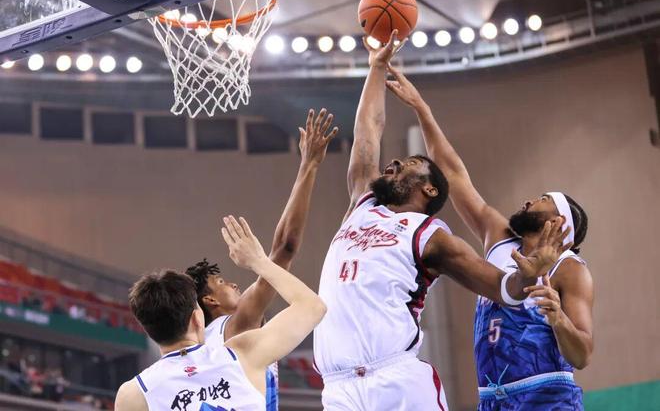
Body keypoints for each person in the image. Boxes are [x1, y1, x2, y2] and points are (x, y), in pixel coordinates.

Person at [312, 30, 572, 411]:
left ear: (429, 189)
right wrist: (376, 68)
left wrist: (527, 276)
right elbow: (368, 133)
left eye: (409, 163)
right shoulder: (362, 204)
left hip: (396, 381)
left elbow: (501, 287)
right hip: (338, 388)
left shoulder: (430, 236)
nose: (393, 162)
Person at [385, 63, 593, 410]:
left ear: (558, 221)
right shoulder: (499, 237)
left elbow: (583, 354)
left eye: (541, 199)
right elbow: (453, 174)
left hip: (545, 395)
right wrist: (422, 109)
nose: (528, 201)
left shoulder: (570, 269)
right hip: (492, 398)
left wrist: (558, 318)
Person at [185, 109, 337, 409]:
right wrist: (308, 166)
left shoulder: (198, 348)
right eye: (221, 283)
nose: (232, 284)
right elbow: (284, 249)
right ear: (210, 301)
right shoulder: (236, 325)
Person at [114, 216, 327, 411]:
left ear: (149, 330)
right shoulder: (242, 354)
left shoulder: (133, 394)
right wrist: (258, 261)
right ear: (197, 318)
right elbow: (312, 306)